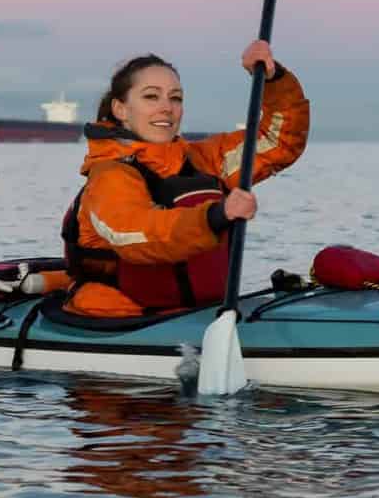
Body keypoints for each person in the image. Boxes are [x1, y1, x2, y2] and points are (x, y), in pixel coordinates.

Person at [61, 40, 310, 318]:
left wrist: (271, 78)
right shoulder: (109, 176)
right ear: (121, 110)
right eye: (151, 97)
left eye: (175, 98)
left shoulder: (202, 160)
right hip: (120, 318)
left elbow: (277, 141)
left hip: (198, 314)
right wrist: (215, 216)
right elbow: (139, 235)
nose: (167, 108)